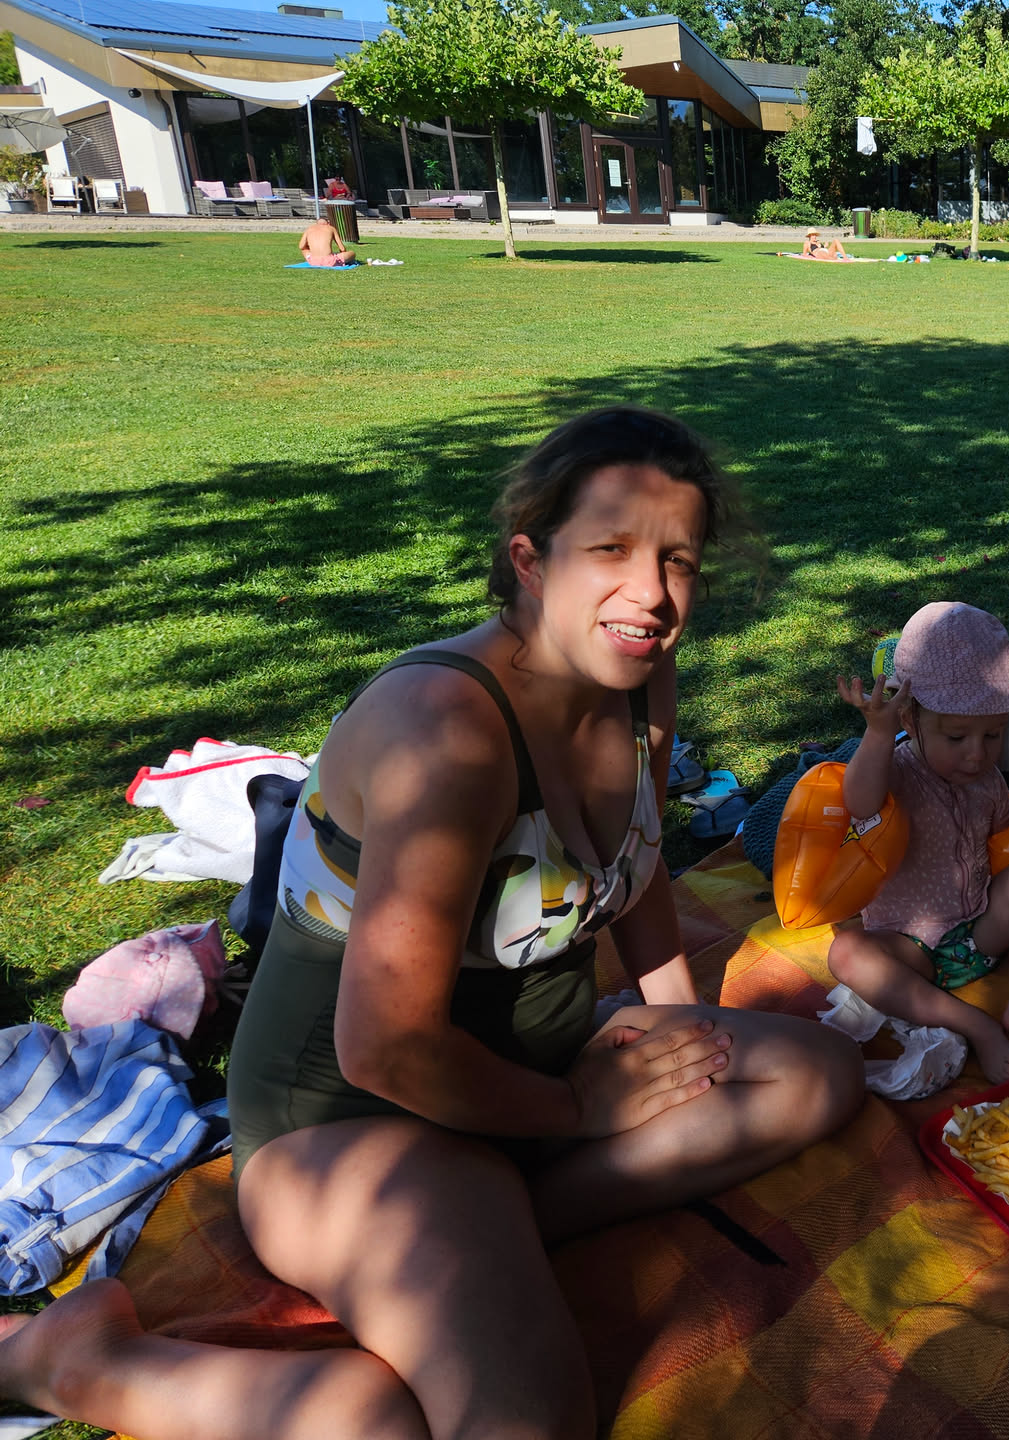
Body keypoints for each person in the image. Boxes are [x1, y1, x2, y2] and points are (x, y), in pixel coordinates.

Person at [0, 408, 865, 1439]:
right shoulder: (447, 733)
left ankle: (487, 1239)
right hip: (356, 1124)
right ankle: (76, 1363)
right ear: (530, 561)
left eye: (677, 559)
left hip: (534, 1077)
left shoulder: (637, 672)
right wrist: (579, 1111)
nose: (652, 592)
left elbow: (633, 875)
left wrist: (680, 1032)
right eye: (611, 550)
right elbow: (385, 1051)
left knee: (816, 1077)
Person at [827, 602, 1009, 1083]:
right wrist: (878, 735)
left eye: (992, 734)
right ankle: (977, 1025)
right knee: (846, 953)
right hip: (908, 949)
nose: (976, 754)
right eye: (955, 737)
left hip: (979, 931)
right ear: (910, 720)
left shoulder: (988, 780)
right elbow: (859, 803)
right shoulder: (896, 771)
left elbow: (1004, 848)